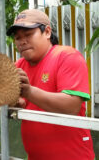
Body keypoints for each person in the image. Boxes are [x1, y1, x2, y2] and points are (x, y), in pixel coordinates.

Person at [6, 9, 95, 159]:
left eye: (28, 35)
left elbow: (72, 106)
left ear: (47, 32)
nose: (22, 41)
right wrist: (14, 102)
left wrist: (29, 92)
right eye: (18, 37)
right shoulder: (18, 66)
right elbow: (16, 102)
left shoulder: (67, 56)